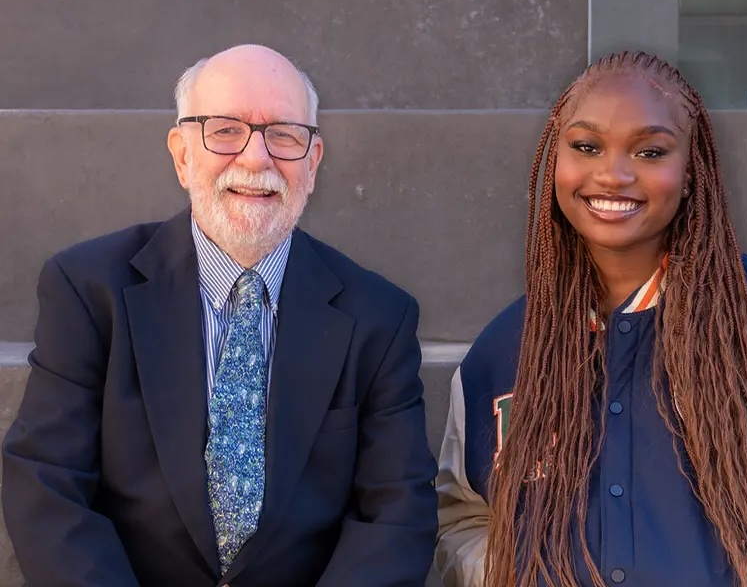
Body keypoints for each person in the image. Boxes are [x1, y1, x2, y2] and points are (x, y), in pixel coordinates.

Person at [434, 51, 747, 587]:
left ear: (691, 167)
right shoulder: (502, 349)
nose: (613, 174)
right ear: (554, 159)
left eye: (651, 151)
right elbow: (463, 515)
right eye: (586, 146)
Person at [2, 44, 437, 587]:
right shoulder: (90, 290)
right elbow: (48, 484)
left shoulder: (379, 317)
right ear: (183, 154)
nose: (256, 159)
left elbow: (395, 517)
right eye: (225, 129)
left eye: (282, 133)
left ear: (313, 160)